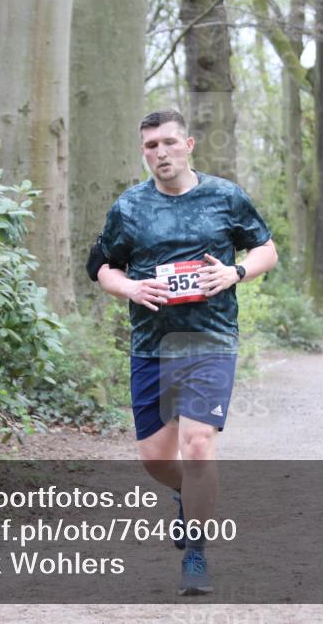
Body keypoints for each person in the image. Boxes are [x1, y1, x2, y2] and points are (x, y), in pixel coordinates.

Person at [89, 109, 278, 596]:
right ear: (143, 152)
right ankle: (188, 495)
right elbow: (102, 268)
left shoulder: (225, 196)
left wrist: (235, 273)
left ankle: (195, 554)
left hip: (210, 340)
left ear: (189, 144)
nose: (161, 152)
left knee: (198, 445)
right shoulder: (129, 207)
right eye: (151, 146)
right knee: (154, 459)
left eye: (169, 142)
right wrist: (129, 288)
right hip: (152, 346)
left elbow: (267, 250)